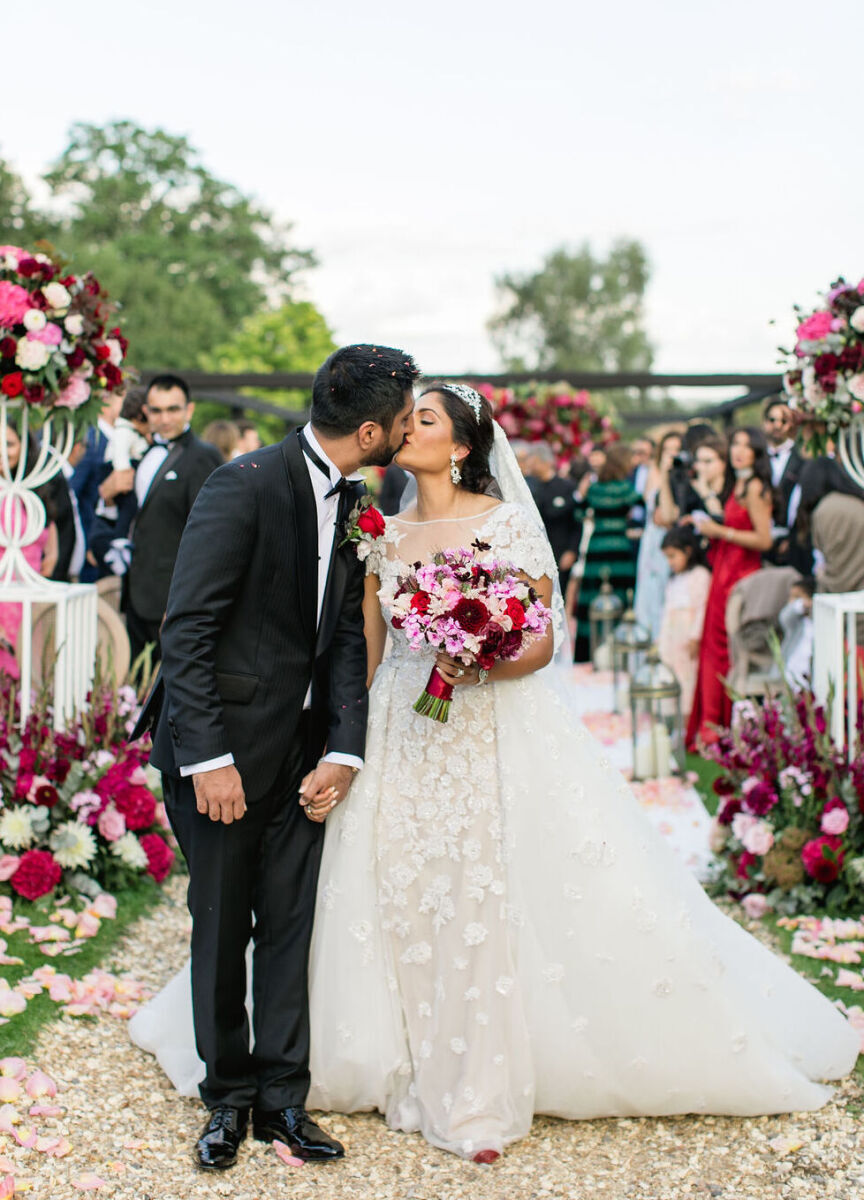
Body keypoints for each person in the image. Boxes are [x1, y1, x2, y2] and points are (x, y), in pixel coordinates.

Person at [130, 383, 858, 1165]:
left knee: (484, 884)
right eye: (406, 418)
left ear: (464, 445)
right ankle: (347, 1057)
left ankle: (478, 1078)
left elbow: (540, 643)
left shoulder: (508, 523)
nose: (407, 429)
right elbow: (363, 645)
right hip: (400, 725)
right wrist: (341, 740)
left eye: (425, 420)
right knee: (389, 880)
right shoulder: (376, 524)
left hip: (488, 723)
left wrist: (477, 660)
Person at [130, 345, 418, 1172]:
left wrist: (342, 747)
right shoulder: (243, 483)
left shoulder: (358, 499)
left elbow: (338, 644)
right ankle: (227, 1097)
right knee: (222, 929)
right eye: (403, 418)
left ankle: (283, 1101)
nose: (406, 429)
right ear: (370, 429)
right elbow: (185, 630)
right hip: (221, 756)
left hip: (302, 758)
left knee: (291, 926)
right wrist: (208, 758)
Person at [110, 375, 222, 666]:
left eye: (173, 409)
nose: (165, 418)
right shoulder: (140, 450)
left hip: (172, 600)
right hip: (136, 591)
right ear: (146, 411)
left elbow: (206, 537)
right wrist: (106, 494)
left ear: (189, 410)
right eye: (157, 410)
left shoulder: (203, 457)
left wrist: (181, 604)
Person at [686, 428, 774, 749]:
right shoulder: (739, 483)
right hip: (724, 569)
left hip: (741, 574)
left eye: (746, 446)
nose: (738, 450)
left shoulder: (755, 487)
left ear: (757, 453)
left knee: (727, 647)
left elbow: (764, 540)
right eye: (734, 443)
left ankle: (724, 724)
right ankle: (713, 723)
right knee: (714, 646)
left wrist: (720, 530)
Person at [569, 443, 640, 662]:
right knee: (622, 597)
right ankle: (619, 656)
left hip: (597, 546)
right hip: (620, 546)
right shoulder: (625, 489)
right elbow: (640, 509)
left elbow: (579, 515)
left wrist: (581, 497)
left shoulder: (595, 488)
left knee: (592, 598)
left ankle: (588, 654)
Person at [0, 422, 59, 676]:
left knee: (32, 684)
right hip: (3, 603)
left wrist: (51, 559)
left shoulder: (35, 493)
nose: (2, 451)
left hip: (34, 600)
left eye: (9, 444)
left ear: (25, 447)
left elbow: (51, 545)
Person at [657, 525, 711, 722]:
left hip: (687, 638)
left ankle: (690, 722)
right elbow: (667, 611)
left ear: (688, 551)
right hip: (672, 638)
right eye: (667, 558)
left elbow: (701, 607)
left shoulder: (700, 576)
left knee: (689, 680)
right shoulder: (674, 580)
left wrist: (695, 636)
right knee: (671, 677)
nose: (670, 562)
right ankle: (675, 723)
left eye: (673, 556)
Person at [69, 388, 123, 582]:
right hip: (88, 545)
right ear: (106, 402)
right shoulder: (90, 440)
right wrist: (87, 543)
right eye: (122, 398)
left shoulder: (117, 439)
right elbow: (74, 494)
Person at [633, 430, 683, 639]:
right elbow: (648, 501)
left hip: (670, 543)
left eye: (676, 450)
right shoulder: (655, 472)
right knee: (648, 596)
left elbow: (668, 516)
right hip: (651, 543)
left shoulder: (681, 481)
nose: (671, 455)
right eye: (667, 450)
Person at [527, 442, 580, 594]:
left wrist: (572, 550)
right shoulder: (530, 487)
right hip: (536, 553)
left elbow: (576, 523)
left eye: (534, 461)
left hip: (561, 550)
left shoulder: (566, 486)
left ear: (545, 462)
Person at [762, 397, 804, 565]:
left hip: (794, 543)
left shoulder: (801, 457)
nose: (777, 425)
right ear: (764, 422)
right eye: (772, 420)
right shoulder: (756, 457)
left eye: (784, 421)